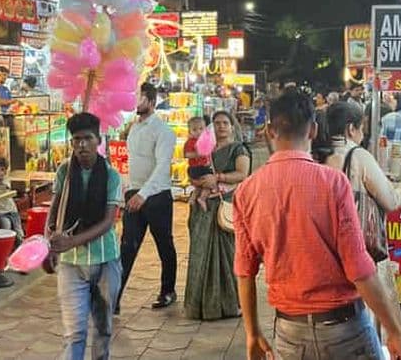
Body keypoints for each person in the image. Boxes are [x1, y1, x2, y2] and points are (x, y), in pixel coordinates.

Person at [234, 89, 401, 360]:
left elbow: (245, 271)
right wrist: (394, 331)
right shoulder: (332, 182)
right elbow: (359, 267)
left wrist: (252, 332)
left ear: (270, 131)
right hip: (346, 330)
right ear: (314, 130)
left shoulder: (246, 191)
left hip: (289, 333)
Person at [324, 101, 401, 337]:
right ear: (351, 128)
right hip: (359, 250)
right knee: (368, 318)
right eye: (361, 128)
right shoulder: (356, 155)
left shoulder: (316, 154)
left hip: (326, 252)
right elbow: (390, 201)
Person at [47, 113, 122, 360]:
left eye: (87, 139)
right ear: (71, 143)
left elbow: (107, 222)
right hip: (70, 264)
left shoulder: (111, 175)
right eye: (76, 140)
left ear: (98, 140)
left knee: (103, 330)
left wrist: (70, 242)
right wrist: (49, 241)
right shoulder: (64, 172)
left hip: (105, 260)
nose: (81, 145)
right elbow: (55, 209)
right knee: (75, 332)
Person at [184, 110, 251, 320]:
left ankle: (230, 304)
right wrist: (196, 182)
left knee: (228, 255)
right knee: (200, 254)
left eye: (224, 123)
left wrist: (218, 177)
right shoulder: (206, 149)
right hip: (203, 210)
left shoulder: (238, 149)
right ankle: (201, 305)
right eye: (216, 123)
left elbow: (242, 174)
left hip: (225, 206)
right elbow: (194, 168)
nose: (221, 126)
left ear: (232, 126)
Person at [118, 82, 178, 311]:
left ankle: (167, 290)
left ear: (151, 102)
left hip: (157, 195)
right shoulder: (134, 128)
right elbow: (132, 161)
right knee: (127, 246)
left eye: (139, 97)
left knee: (164, 245)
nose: (135, 101)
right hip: (134, 192)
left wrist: (143, 194)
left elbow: (162, 166)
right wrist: (128, 189)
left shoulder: (163, 131)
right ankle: (114, 297)